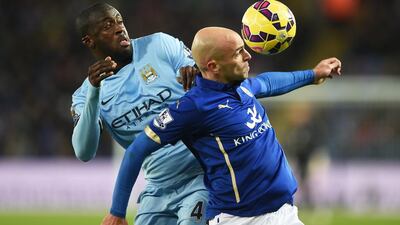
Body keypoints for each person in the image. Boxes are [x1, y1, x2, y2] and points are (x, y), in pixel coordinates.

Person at [101, 26, 342, 225]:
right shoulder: (193, 107)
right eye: (239, 52)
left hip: (284, 212)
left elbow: (268, 82)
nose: (248, 56)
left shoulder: (242, 86)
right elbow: (136, 151)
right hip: (239, 219)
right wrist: (117, 212)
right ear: (213, 66)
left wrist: (312, 74)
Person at [71, 3, 208, 225]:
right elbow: (84, 152)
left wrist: (197, 73)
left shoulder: (159, 45)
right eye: (108, 25)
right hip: (157, 189)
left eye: (119, 20)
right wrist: (94, 92)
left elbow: (204, 79)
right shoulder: (84, 95)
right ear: (89, 40)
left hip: (203, 176)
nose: (119, 28)